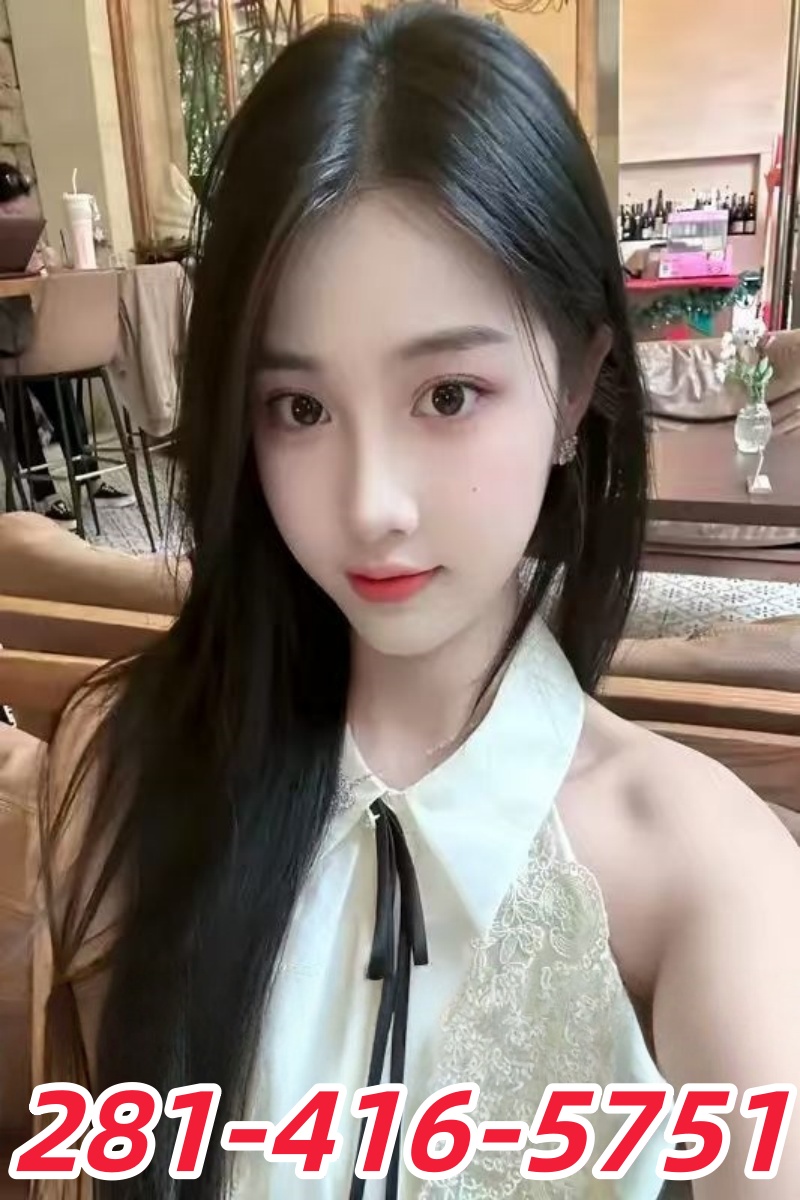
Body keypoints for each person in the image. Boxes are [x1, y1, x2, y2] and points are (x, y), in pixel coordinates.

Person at [29, 8, 800, 1200]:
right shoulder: (127, 759)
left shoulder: (706, 874)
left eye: (446, 394)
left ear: (577, 379)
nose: (371, 505)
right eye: (299, 409)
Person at [0, 161, 133, 527]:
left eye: (19, 213)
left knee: (55, 377)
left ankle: (90, 478)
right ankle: (44, 494)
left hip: (25, 338)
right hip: (4, 351)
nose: (14, 220)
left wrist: (40, 261)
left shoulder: (25, 238)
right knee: (13, 392)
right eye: (6, 213)